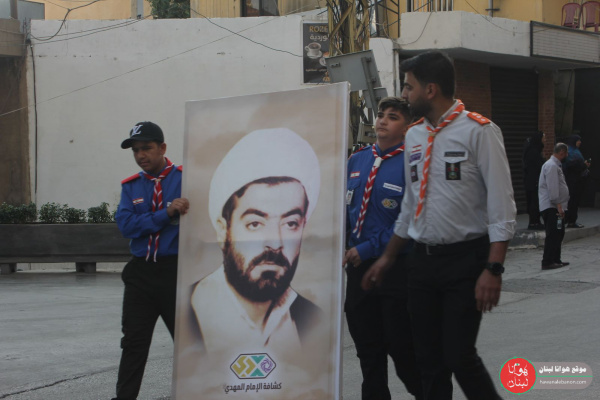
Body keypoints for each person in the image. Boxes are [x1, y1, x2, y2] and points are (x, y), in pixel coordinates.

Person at [362, 51, 516, 400]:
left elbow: (502, 206)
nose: (405, 94)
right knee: (428, 360)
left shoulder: (480, 131)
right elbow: (410, 206)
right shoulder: (414, 136)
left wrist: (493, 269)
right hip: (422, 263)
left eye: (409, 87)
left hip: (465, 261)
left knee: (459, 356)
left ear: (430, 90)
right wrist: (387, 258)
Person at [190, 128, 321, 353]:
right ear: (223, 231)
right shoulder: (188, 313)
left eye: (290, 223)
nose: (275, 244)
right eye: (255, 224)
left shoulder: (312, 319)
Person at [344, 97, 423, 400]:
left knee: (402, 350)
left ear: (407, 127)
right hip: (358, 269)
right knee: (368, 351)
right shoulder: (357, 160)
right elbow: (343, 211)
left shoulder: (412, 164)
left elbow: (410, 220)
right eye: (381, 115)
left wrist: (367, 248)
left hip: (394, 269)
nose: (382, 121)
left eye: (393, 116)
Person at [112, 121, 189, 400]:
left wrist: (148, 220)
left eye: (146, 148)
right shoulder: (131, 186)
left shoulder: (186, 180)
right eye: (135, 150)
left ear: (162, 147)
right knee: (133, 343)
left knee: (187, 343)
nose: (141, 155)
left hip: (175, 273)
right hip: (141, 273)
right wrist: (165, 214)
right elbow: (126, 226)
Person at [539, 143, 570, 270]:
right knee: (553, 234)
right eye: (566, 153)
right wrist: (558, 205)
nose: (567, 155)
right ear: (562, 152)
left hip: (557, 206)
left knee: (559, 233)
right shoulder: (551, 166)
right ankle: (547, 261)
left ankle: (556, 259)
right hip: (552, 206)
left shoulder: (556, 165)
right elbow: (553, 188)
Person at [563, 134, 591, 228]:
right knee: (573, 201)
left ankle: (568, 220)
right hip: (573, 181)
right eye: (578, 140)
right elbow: (574, 166)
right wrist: (584, 165)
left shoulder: (572, 151)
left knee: (571, 201)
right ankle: (571, 221)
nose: (580, 142)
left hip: (572, 181)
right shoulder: (571, 152)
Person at [522, 131, 545, 230]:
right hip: (533, 181)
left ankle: (536, 221)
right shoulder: (533, 152)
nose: (544, 140)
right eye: (543, 138)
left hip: (533, 180)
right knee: (533, 202)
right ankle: (533, 222)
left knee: (535, 201)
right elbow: (536, 167)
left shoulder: (535, 150)